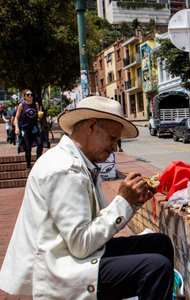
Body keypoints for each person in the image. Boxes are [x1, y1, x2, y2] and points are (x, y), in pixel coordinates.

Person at [0, 96, 174, 300]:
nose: (115, 149)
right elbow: (82, 244)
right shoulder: (65, 169)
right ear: (91, 127)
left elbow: (92, 228)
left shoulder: (80, 162)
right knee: (155, 268)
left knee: (159, 244)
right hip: (61, 268)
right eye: (112, 139)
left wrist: (133, 202)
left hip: (76, 255)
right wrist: (123, 202)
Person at [14, 89, 44, 170]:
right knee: (28, 148)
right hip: (25, 129)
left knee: (40, 143)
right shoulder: (22, 105)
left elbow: (37, 115)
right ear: (24, 96)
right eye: (28, 95)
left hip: (34, 128)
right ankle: (28, 165)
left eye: (31, 94)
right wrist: (16, 127)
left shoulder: (36, 104)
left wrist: (40, 115)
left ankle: (38, 162)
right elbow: (16, 118)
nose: (30, 96)